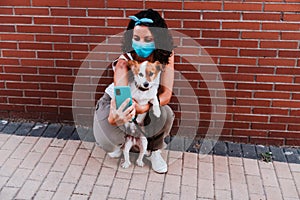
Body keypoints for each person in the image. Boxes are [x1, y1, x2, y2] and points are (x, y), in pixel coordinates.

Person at [93, 9, 175, 173]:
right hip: (114, 101)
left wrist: (144, 108)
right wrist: (114, 117)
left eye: (148, 39)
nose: (141, 43)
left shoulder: (166, 56)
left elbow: (166, 94)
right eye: (136, 38)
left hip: (146, 102)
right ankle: (124, 143)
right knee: (110, 142)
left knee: (165, 113)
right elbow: (123, 102)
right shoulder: (125, 62)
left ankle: (153, 150)